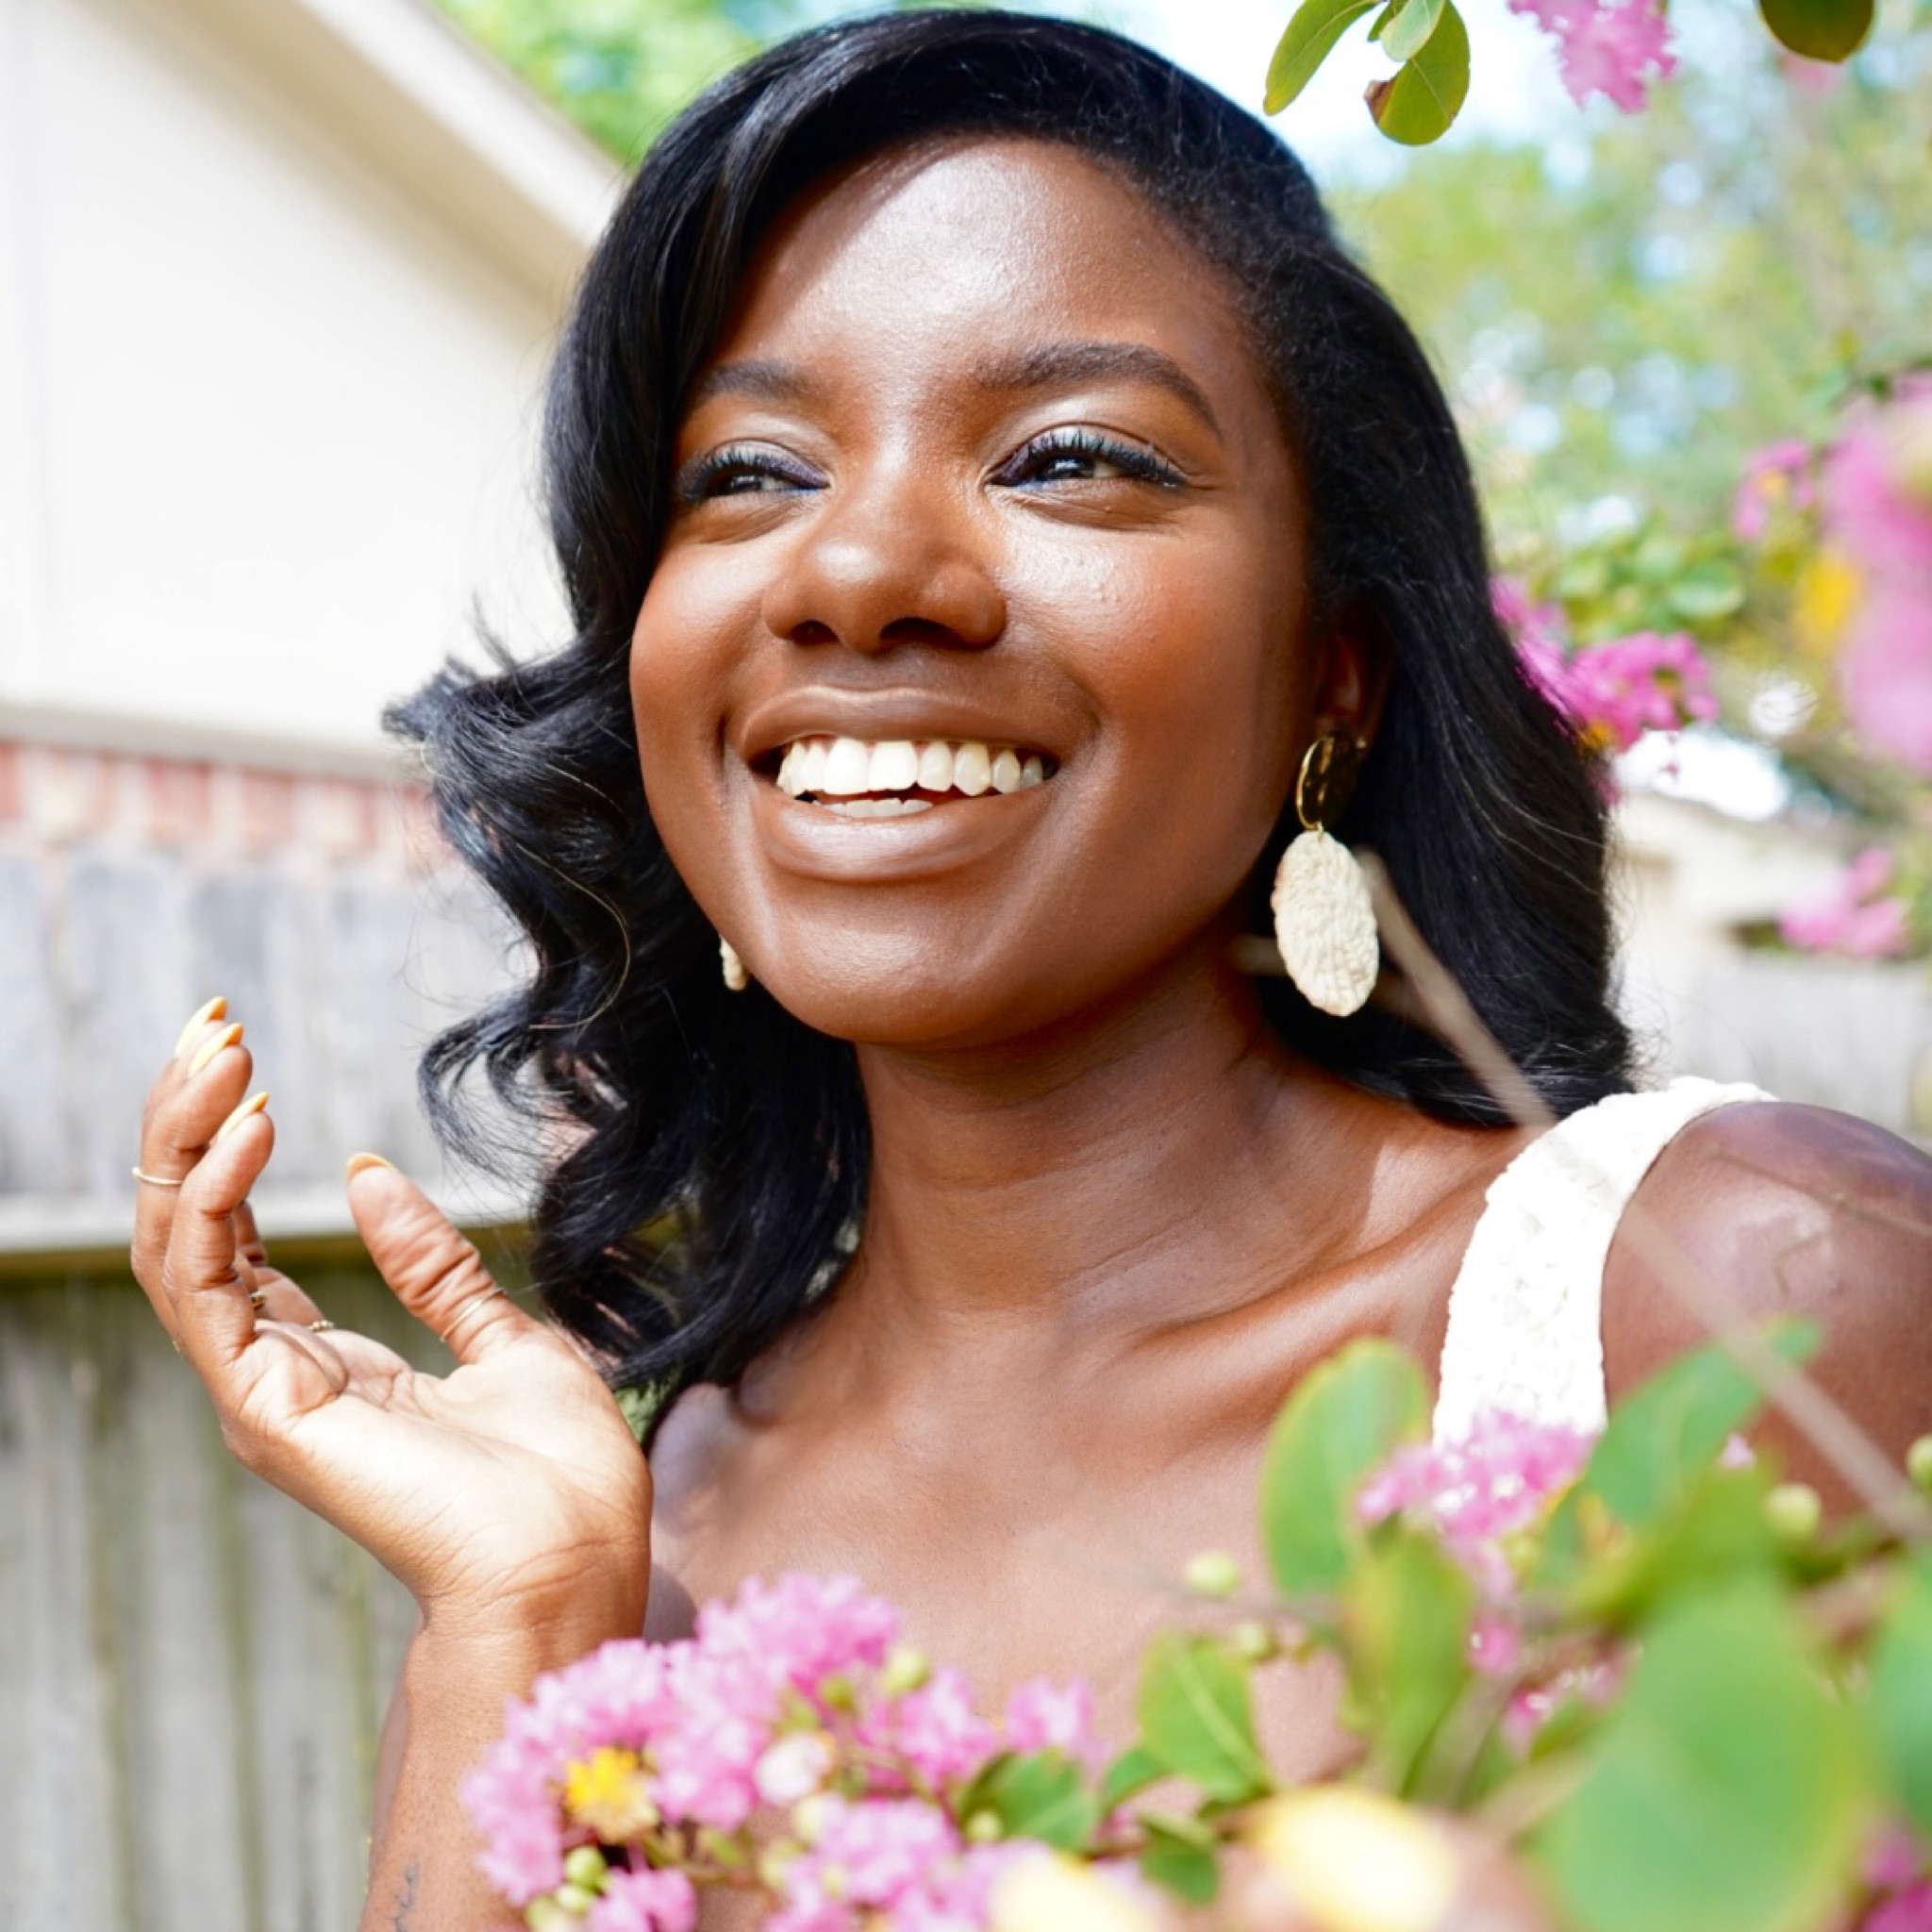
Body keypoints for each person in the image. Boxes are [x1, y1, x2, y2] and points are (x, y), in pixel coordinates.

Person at [127, 12, 1932, 1927]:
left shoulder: (1725, 1302)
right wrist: (507, 1635)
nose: (859, 568)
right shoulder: (656, 1547)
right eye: (746, 470)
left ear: (1335, 670)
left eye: (1067, 457)